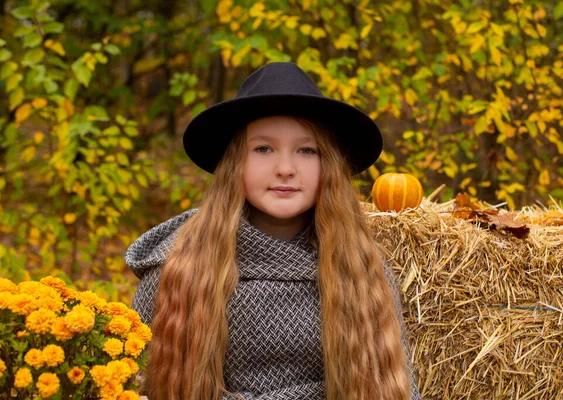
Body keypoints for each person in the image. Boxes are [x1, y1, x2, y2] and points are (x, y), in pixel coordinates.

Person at [125, 62, 421, 400]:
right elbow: (135, 383)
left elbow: (398, 386)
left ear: (328, 166)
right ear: (235, 162)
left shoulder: (361, 269)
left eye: (307, 150)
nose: (285, 169)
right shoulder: (177, 266)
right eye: (263, 148)